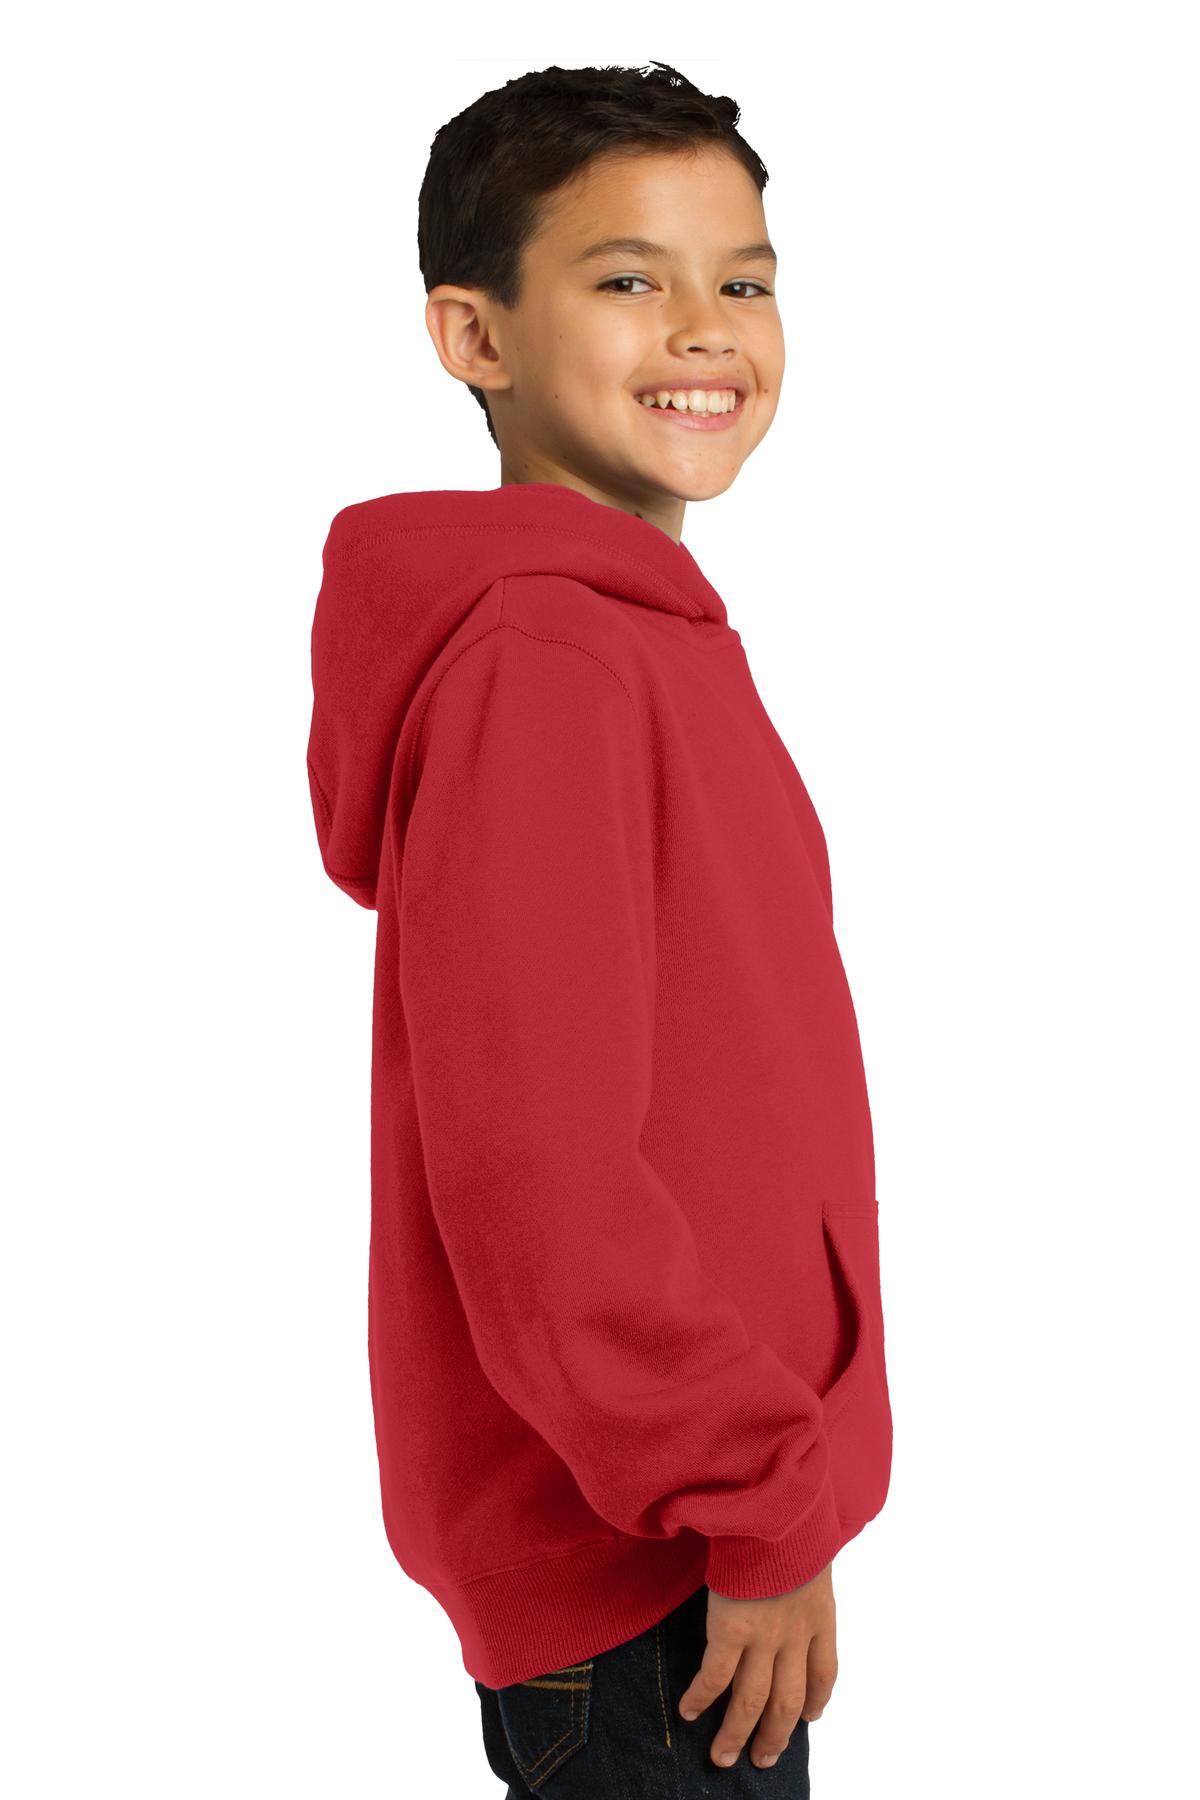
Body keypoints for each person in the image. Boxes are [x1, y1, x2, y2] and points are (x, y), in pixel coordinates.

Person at [306, 60, 893, 1798]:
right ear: (474, 337)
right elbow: (542, 1177)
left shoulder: (634, 640)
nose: (705, 329)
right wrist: (750, 1498)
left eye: (745, 280)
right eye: (629, 278)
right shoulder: (546, 664)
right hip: (650, 1568)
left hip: (683, 1540)